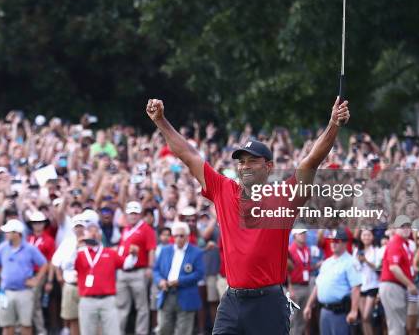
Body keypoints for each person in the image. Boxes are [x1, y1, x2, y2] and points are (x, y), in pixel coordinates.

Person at [145, 96, 350, 335]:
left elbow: (312, 160)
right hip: (232, 300)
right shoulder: (224, 189)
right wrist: (161, 121)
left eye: (252, 161)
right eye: (241, 162)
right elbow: (187, 154)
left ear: (269, 167)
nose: (244, 166)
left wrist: (333, 124)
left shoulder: (285, 195)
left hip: (269, 303)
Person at [75, 220, 138, 335]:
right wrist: (75, 246)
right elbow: (67, 265)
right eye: (90, 231)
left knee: (112, 332)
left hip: (107, 300)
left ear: (100, 234)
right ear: (85, 234)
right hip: (87, 300)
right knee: (87, 332)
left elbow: (127, 264)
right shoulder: (79, 254)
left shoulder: (110, 253)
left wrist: (133, 255)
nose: (93, 233)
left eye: (96, 230)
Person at [0, 219, 47, 335]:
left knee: (26, 325)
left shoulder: (30, 249)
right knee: (7, 326)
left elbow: (44, 264)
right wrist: (4, 274)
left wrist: (36, 280)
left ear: (17, 234)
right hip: (6, 292)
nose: (5, 234)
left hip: (25, 291)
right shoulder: (2, 247)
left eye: (8, 232)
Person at [303, 229, 361, 335]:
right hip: (324, 310)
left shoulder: (351, 262)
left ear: (344, 243)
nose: (333, 244)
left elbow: (356, 287)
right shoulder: (326, 262)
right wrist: (309, 305)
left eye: (337, 241)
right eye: (332, 241)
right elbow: (318, 285)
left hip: (340, 312)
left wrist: (354, 310)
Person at [51, 211, 98, 335]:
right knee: (72, 319)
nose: (79, 229)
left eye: (81, 226)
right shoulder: (67, 243)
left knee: (90, 319)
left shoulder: (92, 243)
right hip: (71, 285)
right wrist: (59, 276)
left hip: (88, 287)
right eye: (76, 226)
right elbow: (56, 261)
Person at [153, 222, 205, 335]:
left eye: (181, 236)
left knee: (183, 331)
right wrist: (160, 281)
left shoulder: (196, 252)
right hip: (166, 293)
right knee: (163, 329)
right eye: (175, 236)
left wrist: (180, 281)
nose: (178, 238)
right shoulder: (165, 250)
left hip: (186, 294)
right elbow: (156, 270)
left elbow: (199, 273)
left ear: (187, 236)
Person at [116, 200, 156, 335]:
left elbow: (151, 249)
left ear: (140, 215)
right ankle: (118, 332)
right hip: (123, 271)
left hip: (139, 271)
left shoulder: (146, 228)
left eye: (135, 213)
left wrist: (150, 267)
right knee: (121, 306)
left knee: (142, 306)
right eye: (131, 214)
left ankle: (142, 332)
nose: (133, 216)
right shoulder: (126, 228)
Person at [379, 215, 417, 335]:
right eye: (402, 226)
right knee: (397, 327)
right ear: (395, 229)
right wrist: (410, 285)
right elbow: (394, 268)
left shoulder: (404, 244)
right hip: (393, 286)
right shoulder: (396, 242)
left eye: (408, 226)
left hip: (397, 287)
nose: (406, 229)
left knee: (399, 325)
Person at [26, 211, 56, 335]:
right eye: (35, 223)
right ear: (31, 225)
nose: (37, 225)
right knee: (31, 302)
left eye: (40, 223)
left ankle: (39, 330)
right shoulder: (28, 239)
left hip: (40, 274)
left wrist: (49, 280)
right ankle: (35, 330)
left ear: (44, 224)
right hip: (27, 275)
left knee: (33, 301)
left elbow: (51, 262)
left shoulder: (49, 240)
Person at [353, 228, 381, 335]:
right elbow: (355, 268)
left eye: (368, 235)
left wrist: (366, 261)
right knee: (363, 319)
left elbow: (378, 267)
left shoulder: (376, 250)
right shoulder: (356, 251)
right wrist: (359, 261)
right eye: (364, 235)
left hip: (372, 285)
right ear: (360, 237)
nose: (366, 237)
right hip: (361, 285)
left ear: (372, 237)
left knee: (366, 316)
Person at [288, 228, 312, 335]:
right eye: (300, 233)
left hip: (306, 286)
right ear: (294, 236)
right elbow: (286, 271)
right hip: (295, 287)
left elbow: (305, 267)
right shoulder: (290, 250)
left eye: (304, 233)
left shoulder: (307, 249)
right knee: (293, 318)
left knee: (303, 318)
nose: (303, 235)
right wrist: (290, 288)